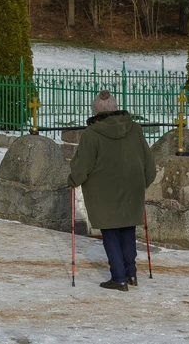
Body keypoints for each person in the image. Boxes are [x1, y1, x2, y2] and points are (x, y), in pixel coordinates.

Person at [68, 90, 156, 292]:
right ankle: (131, 273)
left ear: (96, 111)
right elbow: (148, 161)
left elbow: (83, 165)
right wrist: (144, 182)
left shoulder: (92, 133)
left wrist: (73, 180)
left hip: (103, 191)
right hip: (132, 188)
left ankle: (119, 277)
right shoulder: (135, 128)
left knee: (111, 233)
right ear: (116, 108)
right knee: (127, 229)